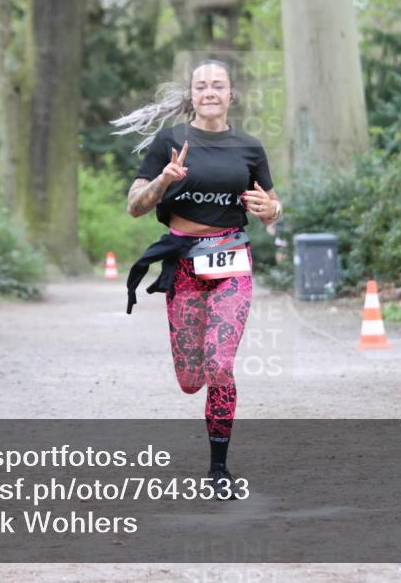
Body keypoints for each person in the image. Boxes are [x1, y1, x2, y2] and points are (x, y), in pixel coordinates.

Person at [113, 60, 282, 500]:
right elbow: (134, 205)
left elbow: (271, 208)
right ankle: (203, 396)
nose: (210, 92)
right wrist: (163, 180)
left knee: (220, 365)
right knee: (191, 379)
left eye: (218, 86)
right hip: (184, 266)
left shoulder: (249, 147)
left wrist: (273, 211)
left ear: (231, 94)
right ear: (192, 95)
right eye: (202, 86)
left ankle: (218, 470)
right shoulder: (170, 142)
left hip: (232, 263)